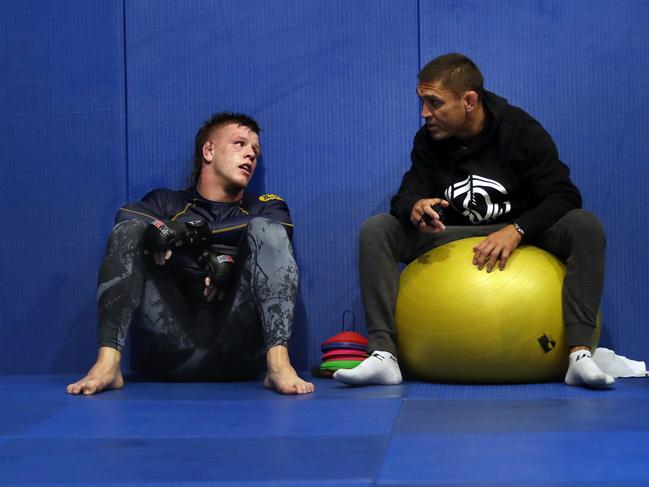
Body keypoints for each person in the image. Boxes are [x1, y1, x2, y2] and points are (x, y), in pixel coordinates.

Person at [334, 53, 613, 389]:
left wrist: (517, 230)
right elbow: (404, 196)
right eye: (422, 102)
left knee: (585, 225)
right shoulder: (429, 140)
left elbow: (564, 195)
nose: (425, 113)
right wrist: (415, 206)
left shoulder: (520, 130)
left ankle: (579, 354)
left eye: (434, 103)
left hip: (524, 233)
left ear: (468, 100)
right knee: (378, 229)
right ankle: (383, 355)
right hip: (452, 235)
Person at [67, 112, 314, 395]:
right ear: (208, 150)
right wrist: (206, 256)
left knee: (267, 231)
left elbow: (281, 226)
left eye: (255, 151)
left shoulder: (266, 206)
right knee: (130, 231)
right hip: (170, 349)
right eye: (239, 144)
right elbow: (126, 217)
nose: (250, 155)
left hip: (239, 351)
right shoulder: (166, 202)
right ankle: (107, 364)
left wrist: (201, 244)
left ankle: (279, 365)